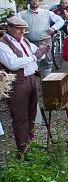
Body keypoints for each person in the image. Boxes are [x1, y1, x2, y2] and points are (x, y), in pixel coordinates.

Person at [0, 16, 46, 152]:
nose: (22, 31)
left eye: (23, 29)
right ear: (9, 28)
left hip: (30, 79)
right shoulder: (2, 44)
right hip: (16, 82)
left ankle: (30, 143)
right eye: (18, 29)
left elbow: (40, 53)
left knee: (31, 113)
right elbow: (13, 64)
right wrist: (33, 57)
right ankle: (23, 150)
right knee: (20, 117)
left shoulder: (24, 41)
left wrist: (38, 54)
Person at [17, 0, 64, 78]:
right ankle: (32, 82)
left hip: (44, 41)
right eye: (32, 0)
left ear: (40, 2)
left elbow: (60, 21)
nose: (35, 2)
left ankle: (47, 81)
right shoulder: (21, 14)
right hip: (28, 42)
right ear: (29, 2)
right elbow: (14, 24)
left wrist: (53, 28)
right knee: (29, 61)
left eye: (37, 0)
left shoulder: (47, 13)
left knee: (46, 61)